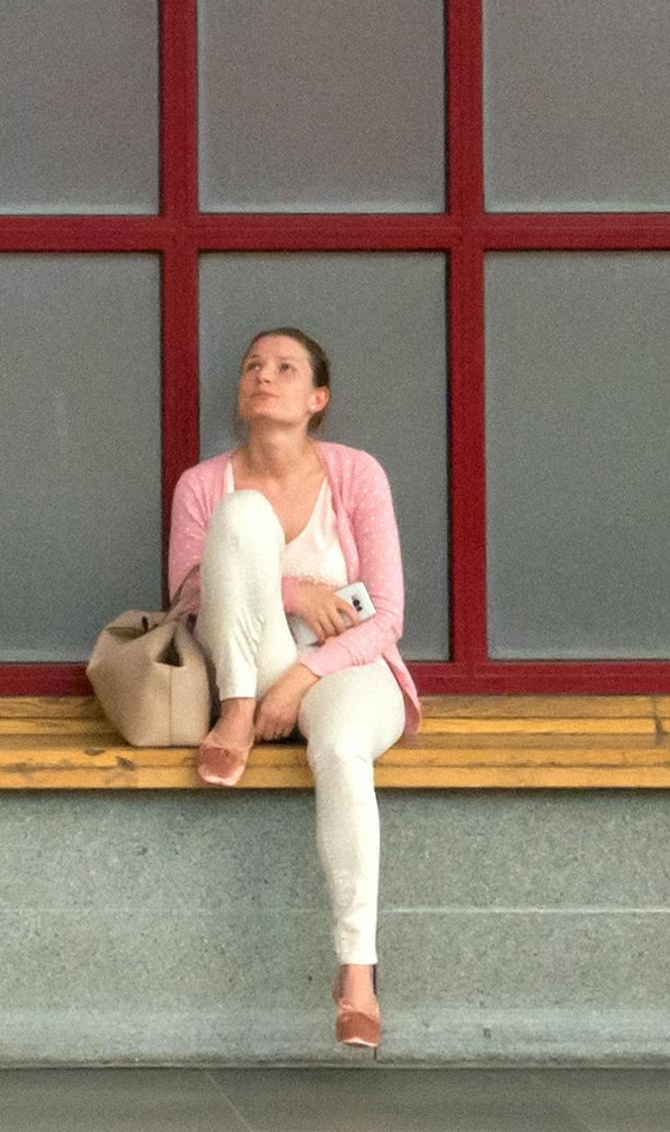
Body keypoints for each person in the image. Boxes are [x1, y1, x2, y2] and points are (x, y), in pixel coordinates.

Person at [164, 324, 418, 1053]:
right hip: (250, 656)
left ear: (316, 398)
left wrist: (307, 674)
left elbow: (389, 615)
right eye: (251, 367)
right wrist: (294, 594)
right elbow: (189, 598)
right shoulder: (203, 484)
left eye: (283, 368)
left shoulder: (355, 474)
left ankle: (356, 971)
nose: (261, 376)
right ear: (241, 396)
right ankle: (236, 712)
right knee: (241, 515)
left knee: (338, 752)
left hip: (344, 666)